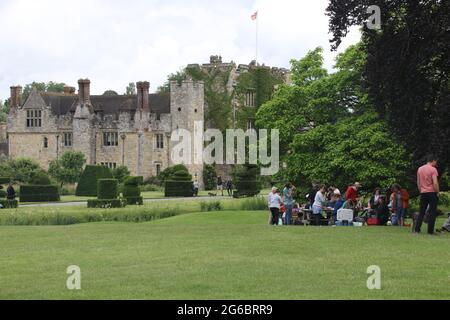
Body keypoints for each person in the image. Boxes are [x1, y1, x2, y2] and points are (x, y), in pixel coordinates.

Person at [415, 155, 439, 235]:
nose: (436, 163)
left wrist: (421, 190)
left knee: (421, 211)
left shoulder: (420, 169)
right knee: (432, 212)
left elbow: (418, 182)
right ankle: (430, 231)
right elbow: (435, 183)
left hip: (423, 192)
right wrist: (437, 192)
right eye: (436, 162)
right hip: (432, 192)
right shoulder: (433, 169)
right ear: (433, 160)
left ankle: (417, 230)